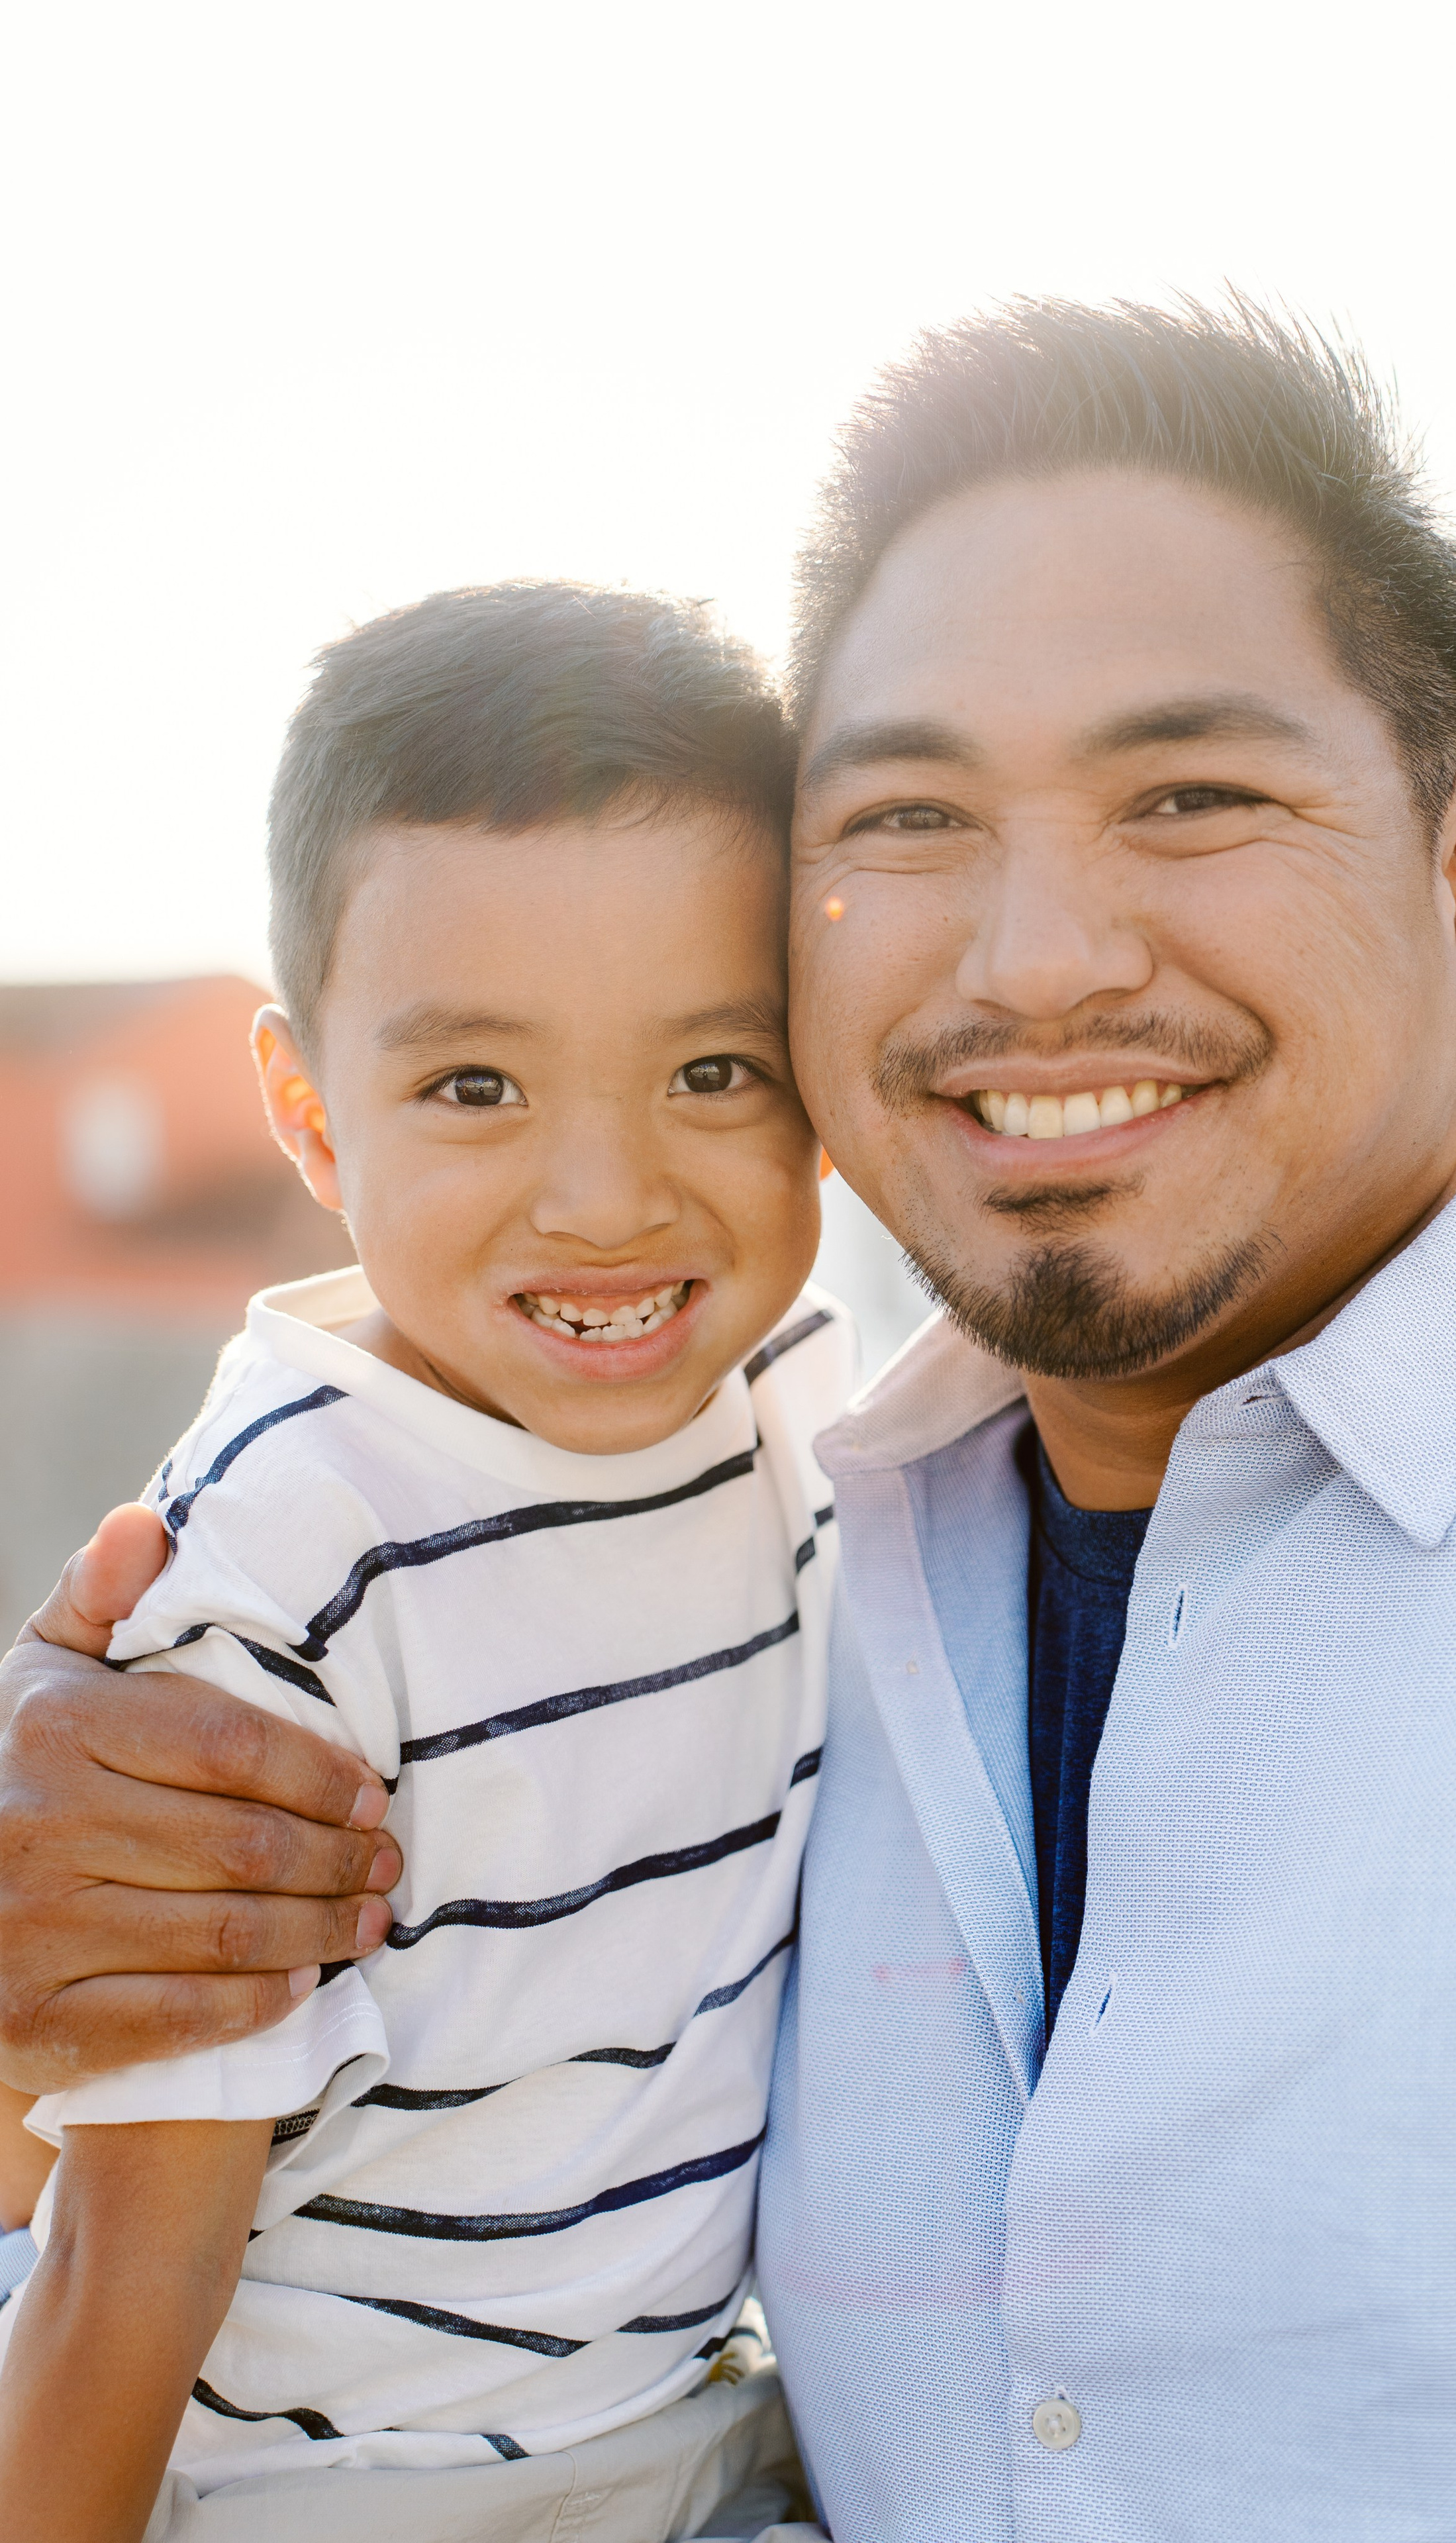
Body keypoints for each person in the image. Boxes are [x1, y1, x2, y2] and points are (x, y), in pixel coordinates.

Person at [6, 295, 1456, 2537]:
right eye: (907, 815)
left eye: (1190, 795)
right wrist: (85, 1935)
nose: (1035, 958)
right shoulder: (801, 1505)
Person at [0, 583, 849, 2541]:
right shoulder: (280, 1580)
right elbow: (114, 2297)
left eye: (714, 1072)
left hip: (681, 2440)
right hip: (336, 2499)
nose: (609, 1194)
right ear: (305, 1106)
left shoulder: (798, 1397)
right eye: (476, 1087)